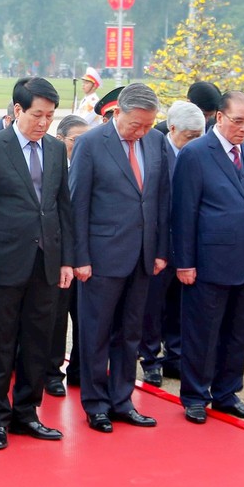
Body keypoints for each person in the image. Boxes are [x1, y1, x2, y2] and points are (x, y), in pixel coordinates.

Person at [0, 77, 73, 450]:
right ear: (17, 110)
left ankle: (27, 413)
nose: (44, 122)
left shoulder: (56, 149)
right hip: (1, 264)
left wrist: (67, 260)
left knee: (38, 343)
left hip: (45, 262)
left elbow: (63, 206)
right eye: (37, 115)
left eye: (50, 116)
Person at [70, 84, 168, 433]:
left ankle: (123, 400)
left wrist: (160, 250)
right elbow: (77, 204)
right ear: (117, 113)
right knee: (95, 333)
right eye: (135, 125)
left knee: (130, 333)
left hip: (142, 255)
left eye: (148, 125)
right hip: (100, 256)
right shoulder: (91, 144)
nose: (140, 132)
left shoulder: (156, 142)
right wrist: (79, 256)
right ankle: (96, 404)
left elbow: (161, 199)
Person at [172, 91, 244, 424]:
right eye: (238, 121)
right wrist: (184, 262)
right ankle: (195, 395)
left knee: (238, 332)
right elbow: (184, 211)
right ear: (220, 118)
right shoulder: (196, 153)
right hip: (208, 263)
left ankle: (227, 392)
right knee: (202, 332)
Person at [139, 101, 205, 387]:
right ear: (173, 128)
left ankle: (175, 356)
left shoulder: (201, 155)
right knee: (153, 306)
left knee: (180, 304)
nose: (195, 142)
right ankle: (150, 358)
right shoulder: (154, 152)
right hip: (158, 244)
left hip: (188, 245)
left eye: (199, 136)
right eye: (190, 137)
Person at [49, 114, 89, 391]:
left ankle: (80, 370)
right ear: (61, 139)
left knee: (86, 318)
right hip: (58, 255)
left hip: (86, 256)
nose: (82, 145)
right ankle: (51, 373)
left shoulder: (90, 165)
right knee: (55, 318)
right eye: (77, 140)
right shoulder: (51, 165)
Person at [156, 81, 220, 135]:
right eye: (203, 115)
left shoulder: (216, 128)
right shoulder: (162, 131)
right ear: (189, 103)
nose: (205, 121)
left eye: (210, 116)